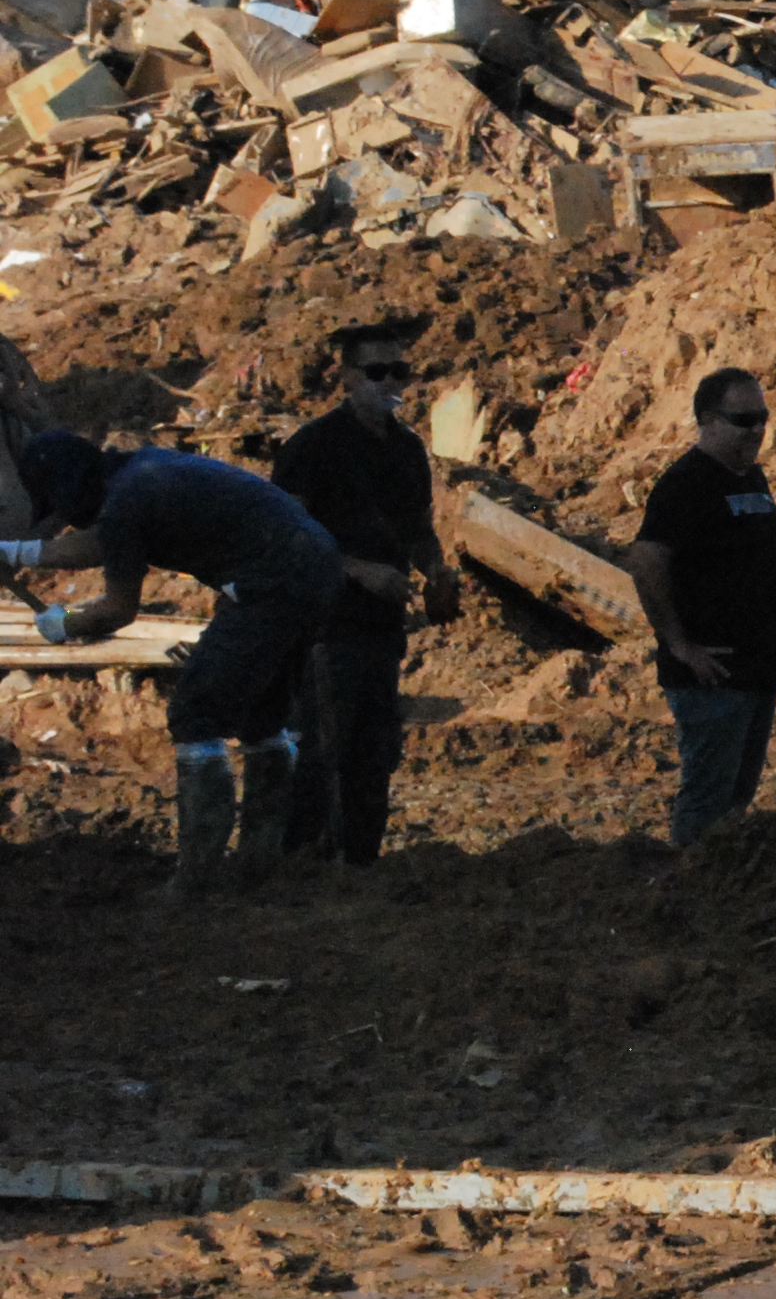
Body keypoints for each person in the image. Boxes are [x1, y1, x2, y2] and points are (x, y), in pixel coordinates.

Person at [9, 430, 347, 894]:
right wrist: (21, 553)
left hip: (270, 584)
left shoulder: (129, 501)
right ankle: (265, 861)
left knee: (195, 713)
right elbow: (107, 539)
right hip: (313, 565)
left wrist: (63, 623)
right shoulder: (139, 474)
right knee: (261, 717)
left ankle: (199, 878)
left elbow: (118, 608)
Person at [269, 320, 464, 865]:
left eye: (398, 370)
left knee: (375, 751)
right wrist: (357, 570)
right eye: (376, 371)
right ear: (347, 377)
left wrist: (437, 573)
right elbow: (286, 535)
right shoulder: (313, 447)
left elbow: (417, 529)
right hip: (324, 624)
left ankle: (360, 863)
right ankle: (301, 863)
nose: (389, 381)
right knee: (322, 749)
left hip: (380, 624)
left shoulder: (406, 449)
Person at [628, 368, 776, 849]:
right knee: (707, 803)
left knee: (736, 800)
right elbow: (646, 559)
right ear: (707, 419)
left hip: (756, 668)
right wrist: (680, 644)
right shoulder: (686, 484)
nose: (756, 430)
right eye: (743, 419)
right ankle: (687, 898)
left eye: (762, 418)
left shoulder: (750, 477)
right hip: (714, 675)